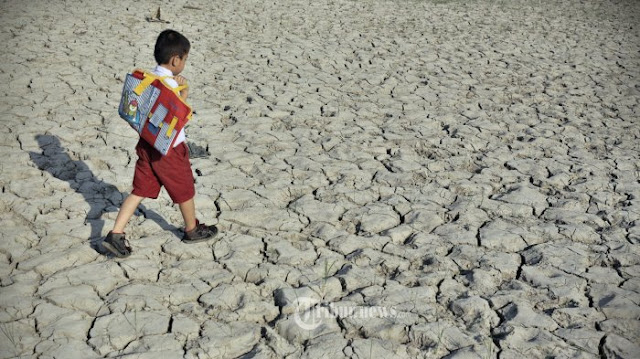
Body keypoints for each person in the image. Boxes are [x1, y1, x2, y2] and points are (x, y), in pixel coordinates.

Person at [102, 29, 218, 258]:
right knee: (184, 189)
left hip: (146, 145)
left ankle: (115, 233)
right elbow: (177, 119)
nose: (184, 63)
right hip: (169, 149)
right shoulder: (171, 85)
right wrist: (183, 93)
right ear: (176, 60)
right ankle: (191, 230)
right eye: (185, 59)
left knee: (139, 190)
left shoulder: (148, 79)